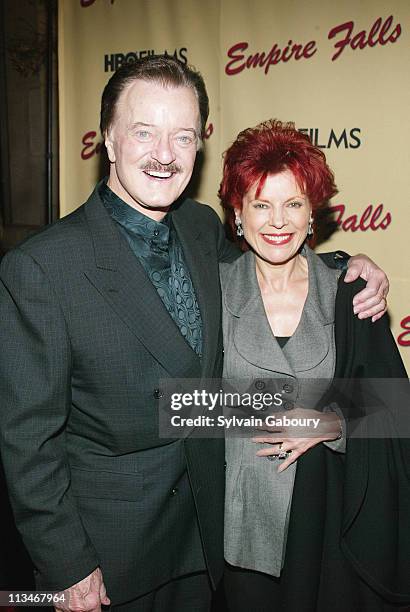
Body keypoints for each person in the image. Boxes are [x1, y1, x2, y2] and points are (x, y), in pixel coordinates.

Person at [0, 57, 389, 612]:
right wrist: (65, 564)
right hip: (111, 561)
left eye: (182, 136)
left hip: (210, 545)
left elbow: (271, 268)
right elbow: (25, 441)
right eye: (144, 133)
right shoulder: (43, 267)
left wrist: (351, 264)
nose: (164, 154)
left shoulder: (199, 227)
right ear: (107, 139)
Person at [218, 119, 410, 612]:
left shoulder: (349, 292)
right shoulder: (209, 290)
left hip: (326, 522)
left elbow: (397, 404)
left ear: (312, 215)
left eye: (293, 204)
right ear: (237, 214)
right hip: (237, 532)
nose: (277, 220)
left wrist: (330, 421)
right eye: (261, 204)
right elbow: (175, 404)